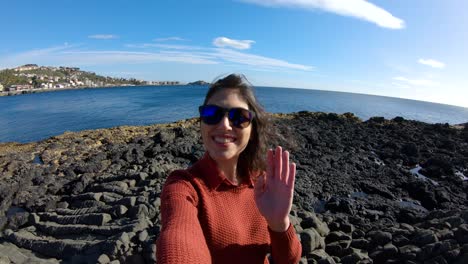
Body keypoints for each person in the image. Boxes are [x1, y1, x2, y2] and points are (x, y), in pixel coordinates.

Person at [156, 74, 302, 263]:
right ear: (201, 122)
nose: (224, 125)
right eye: (211, 114)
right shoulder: (185, 187)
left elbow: (288, 260)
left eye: (238, 117)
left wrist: (279, 224)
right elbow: (178, 235)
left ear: (252, 129)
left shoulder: (263, 183)